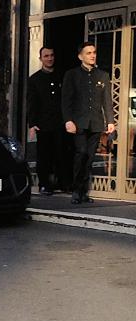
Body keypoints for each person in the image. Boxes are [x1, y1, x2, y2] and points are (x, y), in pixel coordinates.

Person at [61, 41, 115, 204]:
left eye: (94, 52)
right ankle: (76, 190)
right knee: (81, 153)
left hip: (96, 122)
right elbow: (66, 100)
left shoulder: (102, 75)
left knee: (90, 157)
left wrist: (110, 121)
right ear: (80, 56)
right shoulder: (72, 74)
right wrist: (68, 120)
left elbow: (107, 100)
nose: (92, 55)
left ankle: (84, 192)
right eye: (88, 53)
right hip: (79, 122)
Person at [27, 46, 65, 195]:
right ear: (40, 58)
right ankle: (44, 184)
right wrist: (32, 123)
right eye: (46, 56)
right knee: (44, 155)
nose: (49, 58)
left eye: (52, 55)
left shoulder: (62, 76)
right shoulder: (35, 79)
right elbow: (32, 103)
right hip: (43, 124)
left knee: (61, 152)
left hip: (60, 122)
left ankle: (61, 182)